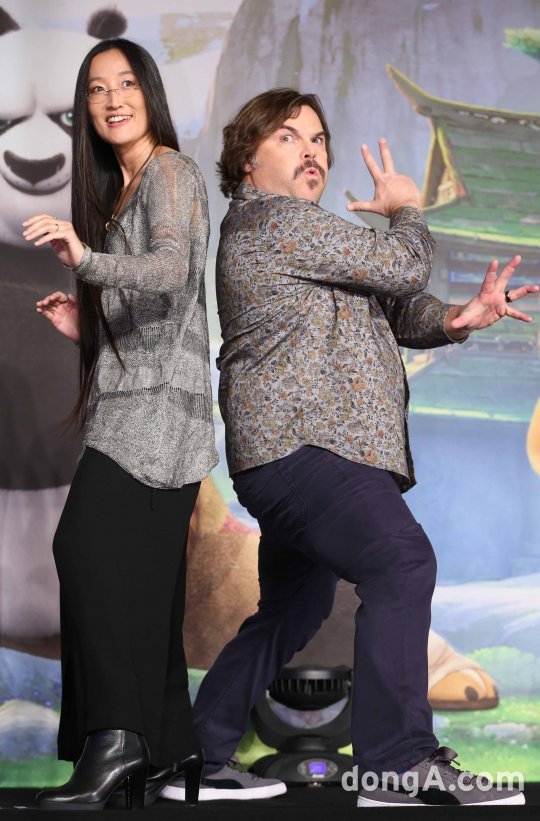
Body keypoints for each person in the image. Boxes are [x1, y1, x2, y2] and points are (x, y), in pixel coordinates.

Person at [161, 88, 536, 807]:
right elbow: (402, 266)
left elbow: (399, 307)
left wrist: (459, 319)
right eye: (288, 136)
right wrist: (407, 209)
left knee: (291, 611)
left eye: (318, 139)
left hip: (295, 455)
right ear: (246, 161)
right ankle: (397, 763)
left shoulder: (308, 237)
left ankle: (197, 759)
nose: (312, 150)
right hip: (307, 449)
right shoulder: (272, 222)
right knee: (401, 560)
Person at [24, 38, 218, 810]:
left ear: (150, 92)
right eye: (97, 89)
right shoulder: (123, 192)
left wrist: (86, 259)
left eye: (127, 83)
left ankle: (117, 739)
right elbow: (155, 313)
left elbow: (170, 271)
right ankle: (169, 744)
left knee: (83, 548)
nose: (112, 100)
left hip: (156, 416)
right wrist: (90, 329)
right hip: (138, 403)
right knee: (144, 587)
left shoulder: (168, 171)